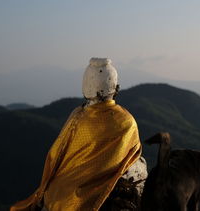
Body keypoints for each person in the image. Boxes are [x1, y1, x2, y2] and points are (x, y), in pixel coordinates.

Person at [11, 58, 143, 211]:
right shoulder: (127, 120)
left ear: (86, 86)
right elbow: (133, 152)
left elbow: (57, 153)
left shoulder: (77, 116)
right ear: (115, 87)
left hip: (63, 194)